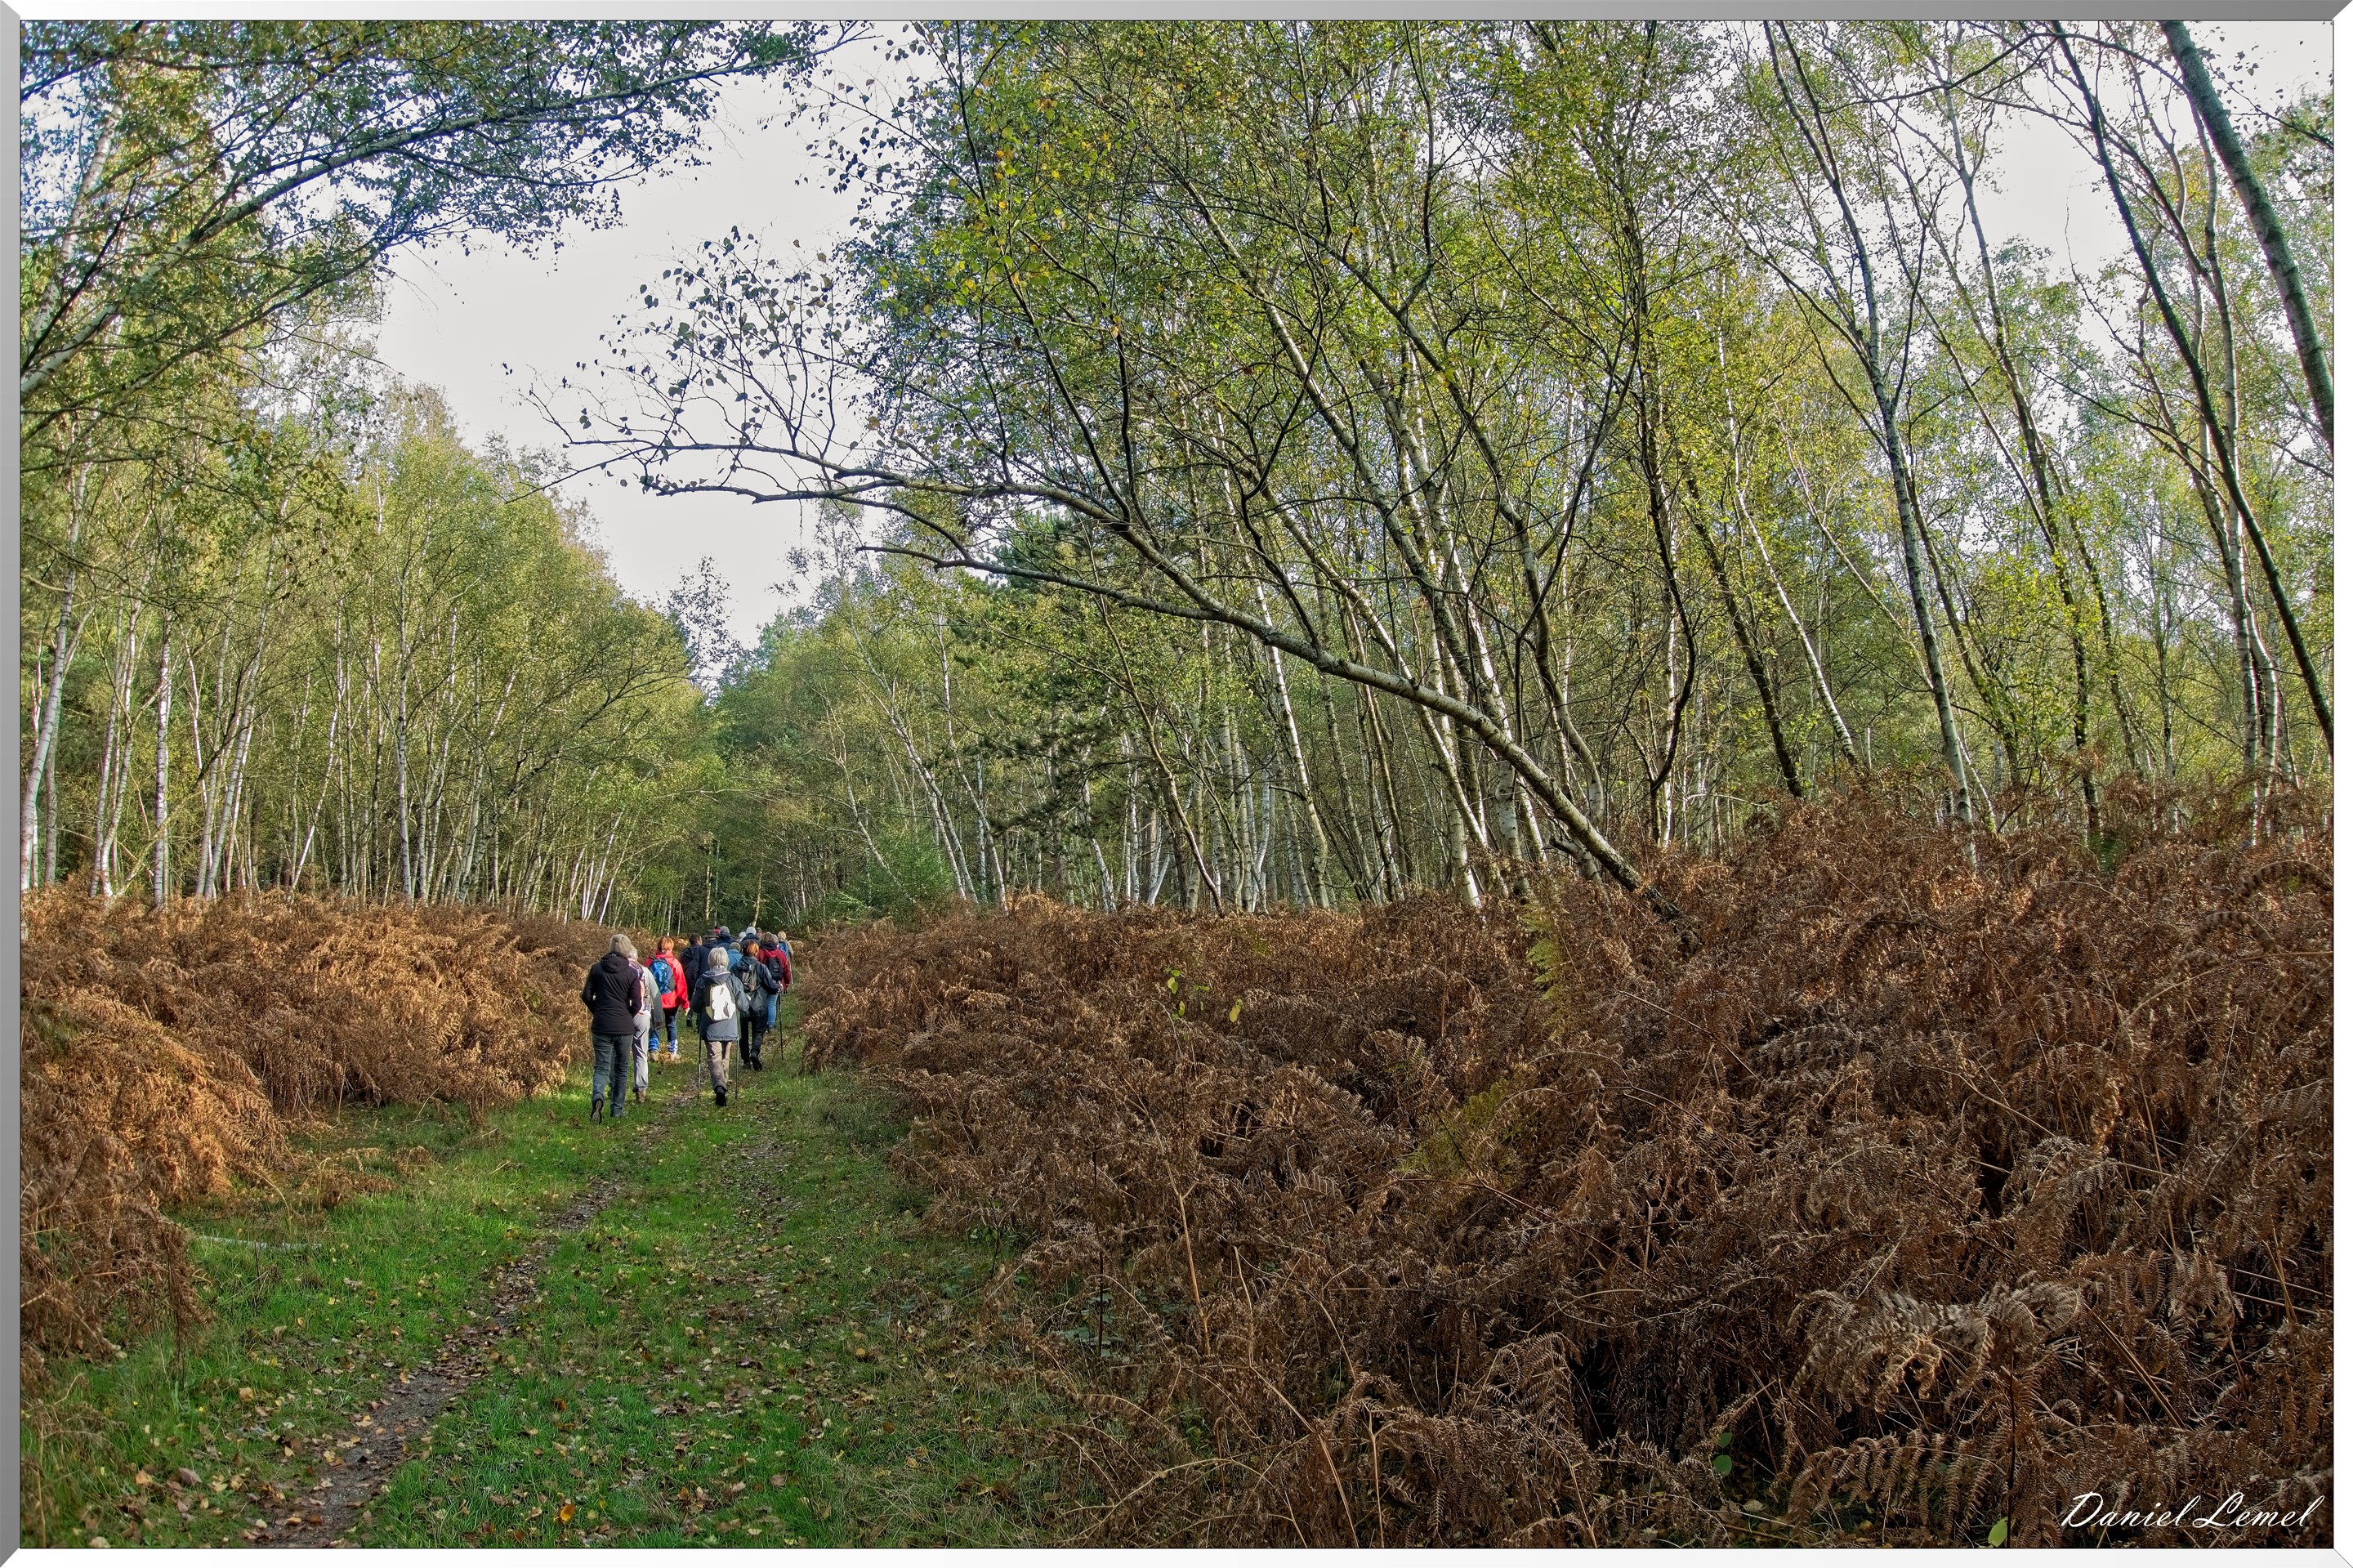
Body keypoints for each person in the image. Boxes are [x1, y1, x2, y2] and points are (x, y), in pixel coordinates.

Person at [579, 932, 645, 1123]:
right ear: (627, 949)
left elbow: (586, 995)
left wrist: (597, 1010)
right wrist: (627, 1015)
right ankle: (617, 1109)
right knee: (622, 1068)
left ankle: (598, 1096)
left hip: (601, 1025)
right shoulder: (632, 973)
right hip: (623, 1027)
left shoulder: (596, 970)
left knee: (601, 1066)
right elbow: (637, 1003)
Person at [694, 945, 748, 1106]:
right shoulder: (733, 980)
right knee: (725, 1057)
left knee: (714, 1057)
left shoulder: (703, 980)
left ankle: (719, 1086)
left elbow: (695, 1006)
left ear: (710, 961)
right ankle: (722, 1084)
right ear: (726, 961)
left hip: (710, 1026)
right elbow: (743, 1006)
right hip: (729, 1025)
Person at [735, 937, 775, 1070]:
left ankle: (746, 1060)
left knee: (743, 1034)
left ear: (743, 951)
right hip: (759, 1004)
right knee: (758, 1032)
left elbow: (731, 984)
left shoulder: (735, 967)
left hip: (742, 1005)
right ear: (756, 951)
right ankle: (755, 1052)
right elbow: (771, 985)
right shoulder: (761, 967)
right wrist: (778, 987)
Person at [649, 938, 685, 1062]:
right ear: (670, 948)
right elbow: (681, 984)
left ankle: (653, 1050)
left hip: (654, 999)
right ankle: (672, 1053)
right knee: (671, 1024)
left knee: (655, 1025)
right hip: (671, 999)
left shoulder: (649, 961)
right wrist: (685, 1003)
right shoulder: (675, 963)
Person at [630, 946, 656, 1104]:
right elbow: (655, 995)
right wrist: (658, 1018)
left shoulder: (620, 970)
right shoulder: (644, 971)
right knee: (640, 1053)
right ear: (636, 956)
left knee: (618, 1053)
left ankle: (613, 1087)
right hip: (643, 1015)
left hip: (624, 1016)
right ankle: (641, 1091)